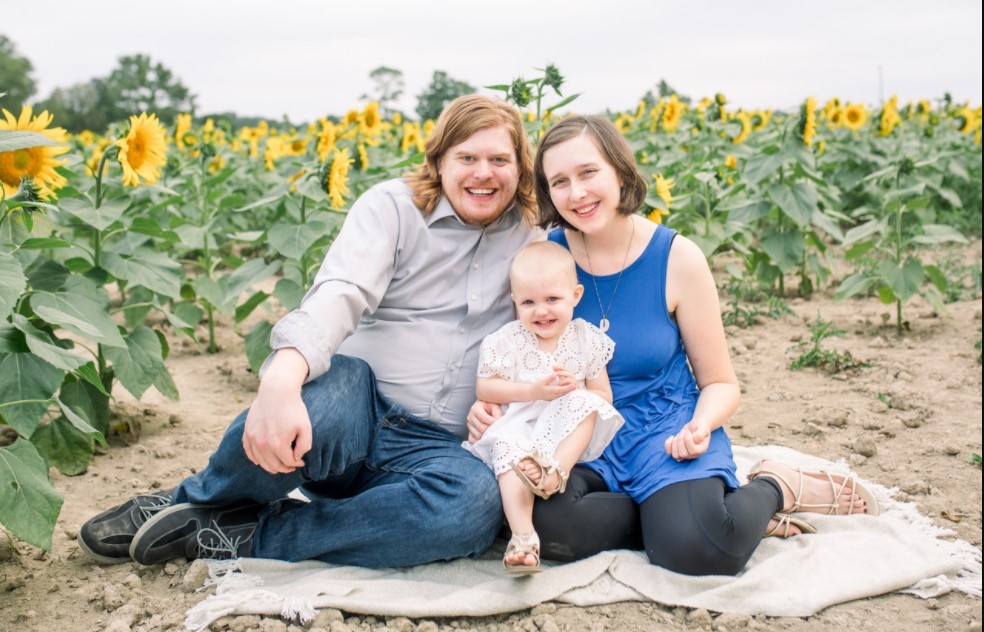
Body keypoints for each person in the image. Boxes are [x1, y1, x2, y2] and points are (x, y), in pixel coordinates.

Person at [78, 94, 540, 568]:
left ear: (520, 168)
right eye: (467, 157)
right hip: (358, 410)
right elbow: (341, 291)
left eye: (499, 159)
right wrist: (280, 379)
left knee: (473, 505)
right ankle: (193, 497)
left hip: (440, 447)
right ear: (438, 160)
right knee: (318, 402)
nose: (483, 173)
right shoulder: (393, 208)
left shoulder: (535, 231)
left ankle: (247, 535)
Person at [467, 115, 880, 576]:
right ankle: (675, 516)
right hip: (581, 440)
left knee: (702, 551)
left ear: (620, 172)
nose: (576, 193)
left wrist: (701, 426)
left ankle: (770, 487)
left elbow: (721, 382)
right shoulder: (547, 256)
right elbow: (516, 350)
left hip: (664, 433)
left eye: (588, 173)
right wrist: (487, 406)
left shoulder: (677, 258)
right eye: (559, 182)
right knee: (546, 524)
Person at [463, 241, 624, 574]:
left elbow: (603, 396)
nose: (541, 311)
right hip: (521, 425)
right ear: (514, 302)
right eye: (528, 302)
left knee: (586, 401)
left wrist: (574, 389)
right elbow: (485, 386)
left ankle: (555, 473)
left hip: (563, 436)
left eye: (553, 299)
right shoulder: (508, 339)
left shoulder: (585, 339)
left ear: (575, 295)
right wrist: (532, 390)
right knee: (508, 450)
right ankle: (524, 537)